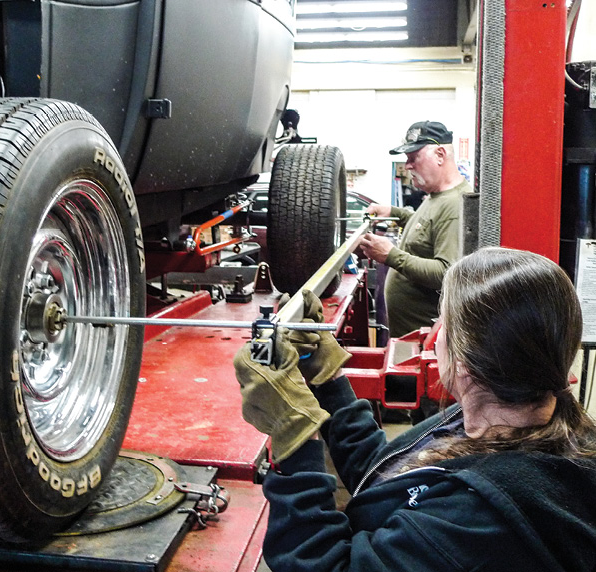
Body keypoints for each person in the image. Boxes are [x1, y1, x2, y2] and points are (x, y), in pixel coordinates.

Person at [233, 248, 596, 571]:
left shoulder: (478, 521)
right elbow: (391, 473)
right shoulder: (507, 417)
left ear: (464, 366)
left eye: (444, 323)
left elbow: (318, 562)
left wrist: (294, 435)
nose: (435, 331)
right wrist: (329, 378)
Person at [359, 120, 472, 337]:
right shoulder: (437, 196)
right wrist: (396, 213)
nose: (408, 165)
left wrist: (391, 256)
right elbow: (429, 228)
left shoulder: (454, 204)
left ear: (440, 155)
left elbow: (447, 272)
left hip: (425, 343)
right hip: (411, 336)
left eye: (413, 158)